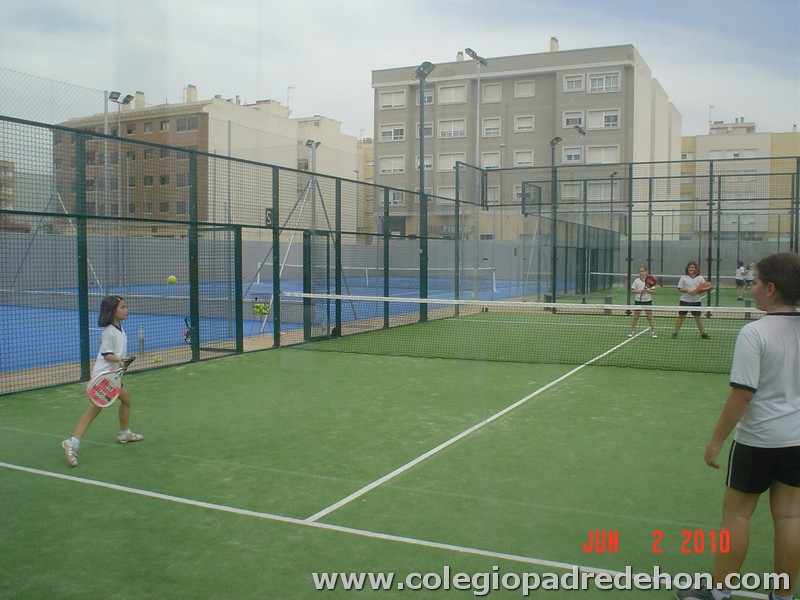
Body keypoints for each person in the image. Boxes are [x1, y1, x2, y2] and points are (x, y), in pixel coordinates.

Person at [676, 252, 800, 600]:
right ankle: (783, 596)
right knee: (791, 519)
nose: (752, 287)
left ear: (772, 289)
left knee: (738, 515)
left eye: (757, 282)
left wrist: (716, 441)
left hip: (757, 441)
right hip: (796, 441)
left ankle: (719, 593)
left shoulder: (753, 333)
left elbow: (742, 395)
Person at [62, 295, 143, 467]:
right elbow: (107, 354)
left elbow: (115, 352)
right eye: (123, 307)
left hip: (113, 375)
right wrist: (119, 361)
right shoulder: (108, 331)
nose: (126, 310)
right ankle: (72, 442)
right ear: (113, 311)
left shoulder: (119, 328)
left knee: (126, 399)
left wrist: (122, 362)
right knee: (95, 409)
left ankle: (124, 433)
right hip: (103, 377)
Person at [671, 260, 710, 339]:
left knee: (698, 318)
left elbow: (704, 288)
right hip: (684, 301)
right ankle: (675, 332)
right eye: (689, 267)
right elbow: (680, 289)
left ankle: (703, 333)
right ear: (687, 269)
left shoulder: (700, 278)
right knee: (681, 317)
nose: (691, 269)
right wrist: (687, 290)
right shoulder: (683, 278)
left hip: (696, 301)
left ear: (696, 268)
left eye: (693, 267)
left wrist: (697, 291)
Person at [628, 265, 657, 338]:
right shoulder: (636, 281)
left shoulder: (650, 281)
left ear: (646, 272)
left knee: (649, 317)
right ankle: (632, 332)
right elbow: (632, 290)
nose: (641, 273)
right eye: (640, 271)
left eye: (643, 271)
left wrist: (647, 290)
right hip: (638, 301)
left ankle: (653, 332)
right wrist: (640, 291)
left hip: (647, 301)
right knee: (635, 317)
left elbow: (653, 291)